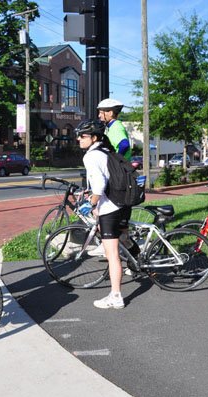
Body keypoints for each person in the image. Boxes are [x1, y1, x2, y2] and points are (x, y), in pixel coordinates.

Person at [76, 119, 138, 309]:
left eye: (83, 136)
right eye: (78, 135)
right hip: (121, 203)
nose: (79, 139)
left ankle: (116, 296)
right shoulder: (106, 150)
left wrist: (90, 203)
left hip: (109, 208)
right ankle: (139, 260)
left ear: (94, 137)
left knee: (112, 255)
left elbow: (100, 185)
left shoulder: (91, 156)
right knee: (123, 238)